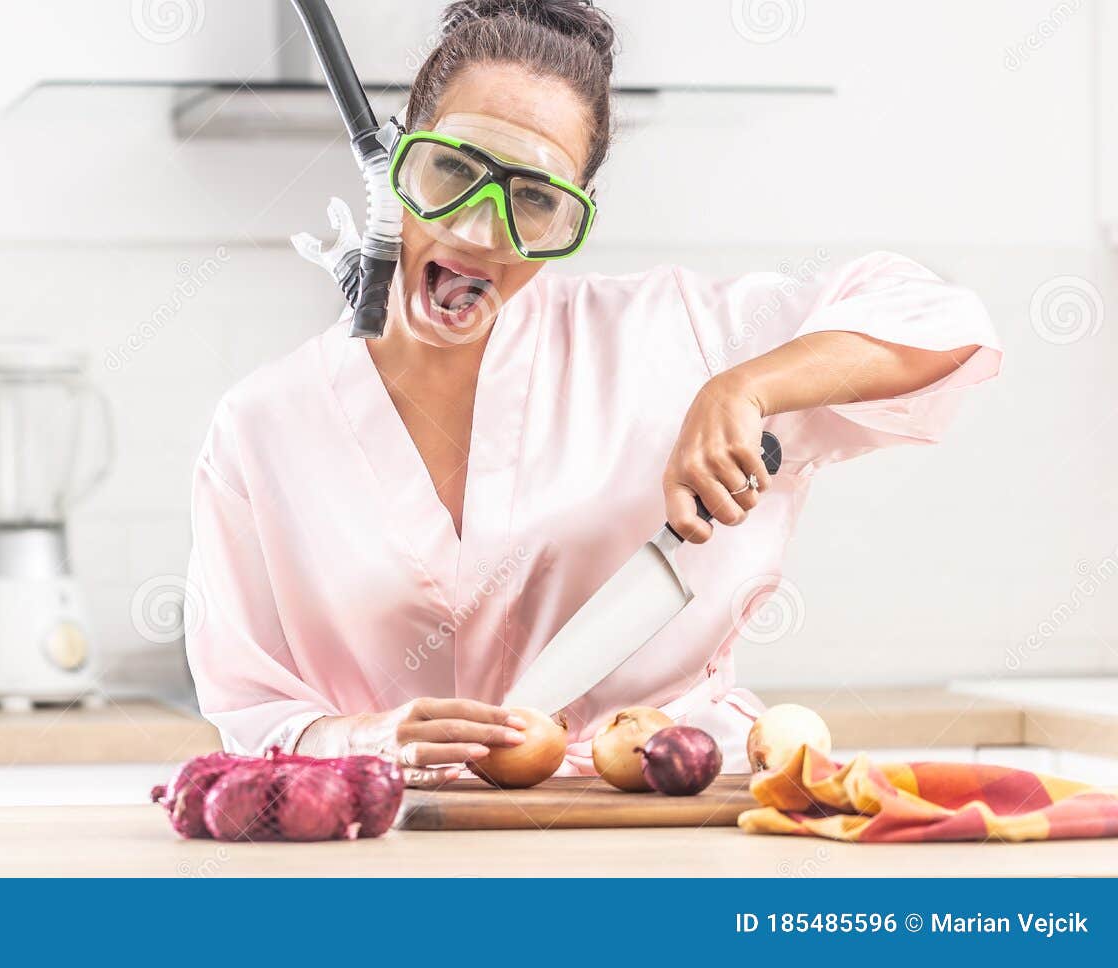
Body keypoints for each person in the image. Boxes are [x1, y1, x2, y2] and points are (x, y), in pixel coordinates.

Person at [184, 0, 1001, 786]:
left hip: (672, 826)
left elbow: (939, 315)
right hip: (401, 847)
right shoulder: (262, 428)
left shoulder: (671, 334)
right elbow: (253, 709)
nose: (478, 230)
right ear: (397, 161)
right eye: (452, 170)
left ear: (577, 216)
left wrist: (745, 388)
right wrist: (369, 741)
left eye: (534, 200)